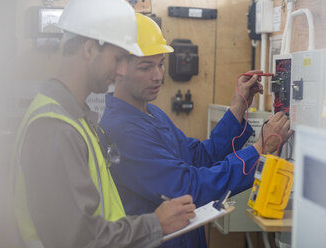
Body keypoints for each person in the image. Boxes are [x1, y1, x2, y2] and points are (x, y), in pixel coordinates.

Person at [10, 1, 196, 248]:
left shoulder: (75, 118)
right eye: (118, 58)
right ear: (88, 49)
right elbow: (78, 239)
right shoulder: (55, 128)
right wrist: (155, 224)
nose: (121, 71)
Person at [100, 13, 293, 248]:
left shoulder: (151, 113)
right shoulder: (123, 130)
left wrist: (237, 110)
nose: (158, 75)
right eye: (145, 67)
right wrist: (260, 149)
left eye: (161, 64)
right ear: (118, 69)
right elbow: (188, 188)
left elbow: (200, 156)